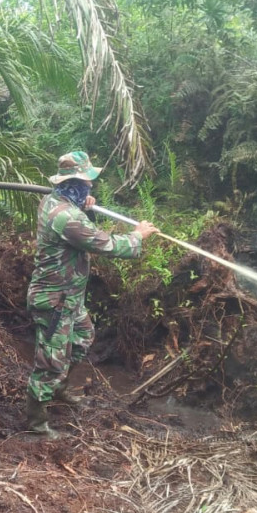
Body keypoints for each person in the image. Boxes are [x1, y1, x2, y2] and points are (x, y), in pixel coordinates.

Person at [26, 151, 158, 437]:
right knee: (50, 362)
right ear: (73, 182)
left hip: (69, 298)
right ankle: (36, 424)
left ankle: (59, 388)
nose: (91, 186)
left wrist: (83, 206)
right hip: (53, 302)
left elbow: (77, 223)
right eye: (87, 182)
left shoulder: (56, 201)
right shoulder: (65, 216)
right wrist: (137, 235)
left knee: (83, 337)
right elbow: (104, 243)